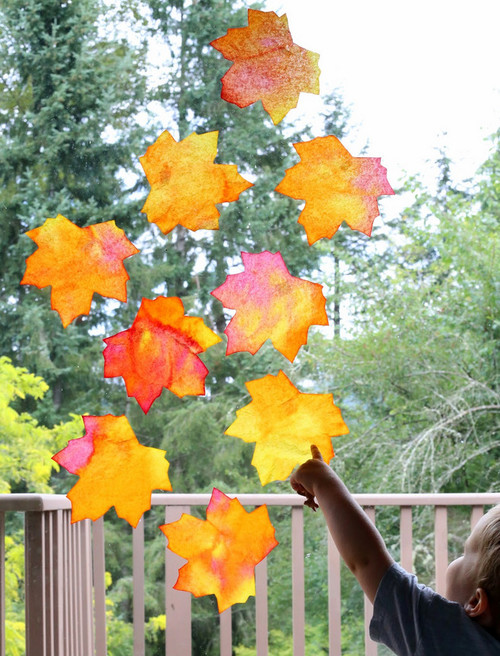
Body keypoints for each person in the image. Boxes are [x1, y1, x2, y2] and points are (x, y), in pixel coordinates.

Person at [290, 445, 500, 655]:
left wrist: (322, 481)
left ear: (476, 602)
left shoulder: (442, 633)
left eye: (464, 554)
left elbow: (367, 560)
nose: (458, 558)